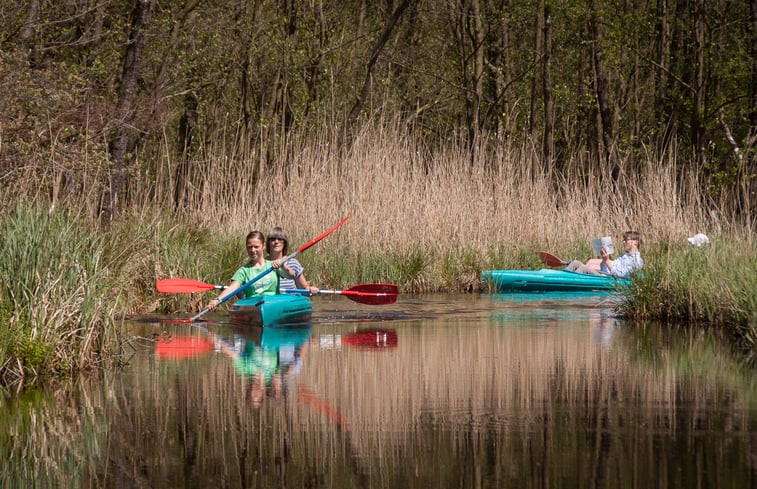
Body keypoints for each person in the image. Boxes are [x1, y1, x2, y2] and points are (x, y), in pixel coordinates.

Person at [205, 230, 295, 311]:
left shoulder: (273, 265)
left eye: (256, 247)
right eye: (249, 247)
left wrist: (282, 266)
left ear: (263, 246)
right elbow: (232, 288)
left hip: (273, 305)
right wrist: (217, 300)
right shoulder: (243, 271)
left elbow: (291, 275)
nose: (252, 250)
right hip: (253, 306)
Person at [565, 230, 644, 278]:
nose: (624, 242)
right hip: (605, 276)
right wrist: (604, 260)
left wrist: (607, 261)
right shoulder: (623, 256)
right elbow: (605, 269)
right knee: (576, 263)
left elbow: (620, 275)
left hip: (613, 280)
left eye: (626, 240)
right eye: (623, 240)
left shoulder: (637, 261)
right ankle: (559, 276)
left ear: (635, 242)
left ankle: (566, 282)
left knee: (583, 268)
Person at [265, 226, 319, 295]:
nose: (276, 241)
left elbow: (304, 288)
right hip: (269, 300)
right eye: (272, 239)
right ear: (268, 243)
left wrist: (310, 289)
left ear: (284, 243)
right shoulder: (262, 263)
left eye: (280, 239)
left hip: (289, 299)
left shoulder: (293, 263)